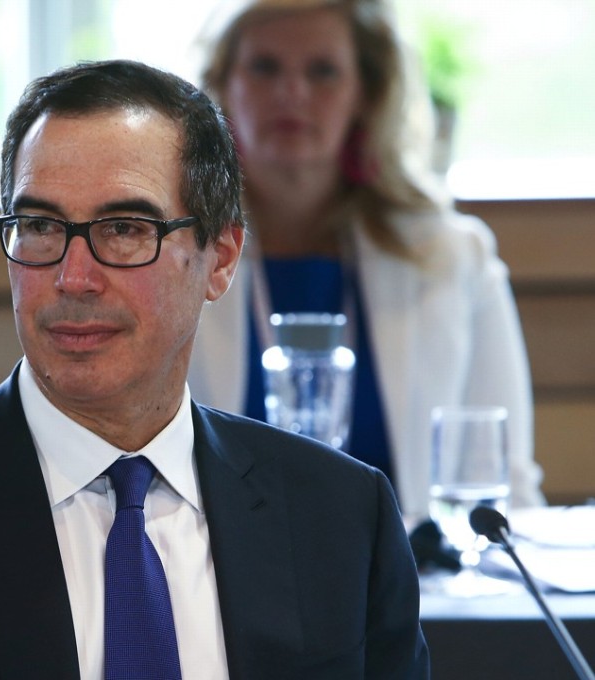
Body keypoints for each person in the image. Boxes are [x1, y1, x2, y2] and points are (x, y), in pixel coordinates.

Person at [0, 59, 428, 679]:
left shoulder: (339, 514)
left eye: (126, 229)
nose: (73, 277)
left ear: (220, 258)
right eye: (40, 226)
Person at [189, 0, 544, 519]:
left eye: (323, 71)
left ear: (365, 94)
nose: (292, 92)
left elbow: (506, 488)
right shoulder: (172, 252)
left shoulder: (450, 256)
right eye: (265, 67)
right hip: (216, 589)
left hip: (415, 588)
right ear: (222, 85)